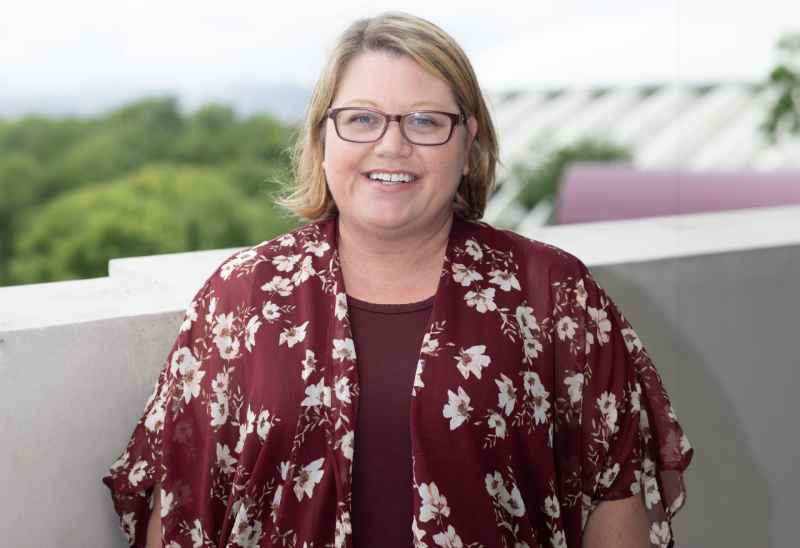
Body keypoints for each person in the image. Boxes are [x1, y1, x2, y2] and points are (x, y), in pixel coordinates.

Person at [104, 12, 691, 548]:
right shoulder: (240, 297)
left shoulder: (554, 294)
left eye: (425, 121)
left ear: (468, 144)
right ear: (322, 139)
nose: (392, 144)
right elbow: (180, 504)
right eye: (361, 118)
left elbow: (614, 501)